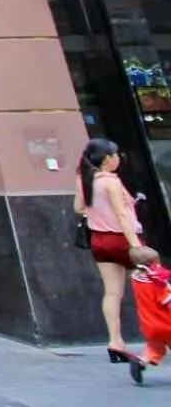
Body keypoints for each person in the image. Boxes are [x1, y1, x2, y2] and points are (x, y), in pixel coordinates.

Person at [77, 137, 154, 366]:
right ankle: (157, 337)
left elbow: (78, 208)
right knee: (151, 287)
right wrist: (136, 247)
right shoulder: (111, 182)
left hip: (99, 240)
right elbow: (122, 215)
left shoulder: (84, 179)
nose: (118, 158)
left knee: (112, 292)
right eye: (115, 154)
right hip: (123, 239)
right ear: (106, 159)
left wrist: (97, 214)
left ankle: (115, 342)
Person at [129, 249, 171, 385]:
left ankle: (141, 361)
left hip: (148, 323)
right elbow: (166, 301)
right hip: (166, 323)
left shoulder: (136, 279)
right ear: (154, 264)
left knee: (155, 348)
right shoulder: (157, 283)